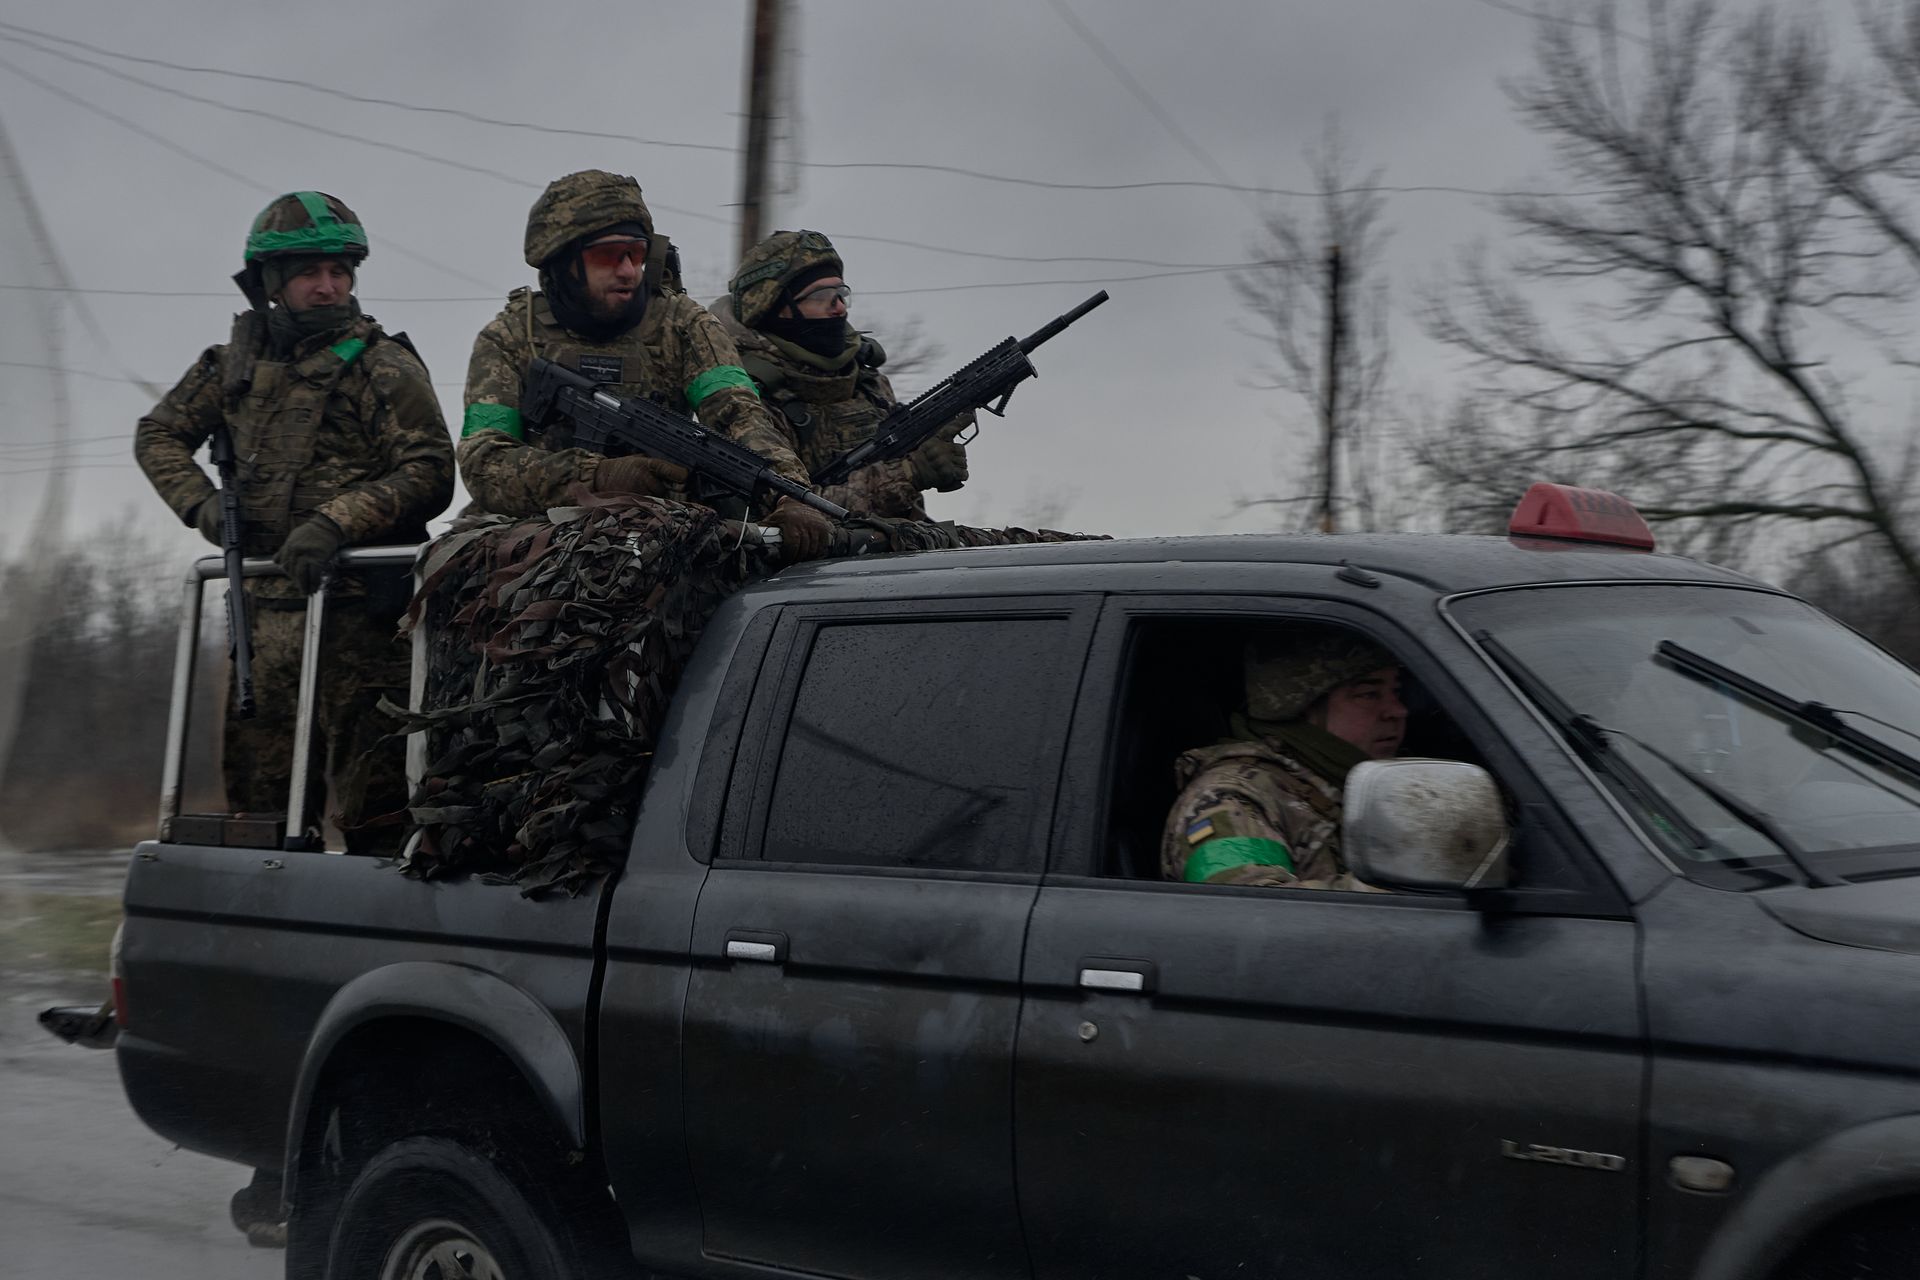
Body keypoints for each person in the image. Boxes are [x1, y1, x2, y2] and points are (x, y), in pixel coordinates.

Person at [134, 191, 454, 855]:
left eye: (339, 272)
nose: (328, 286)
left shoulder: (382, 365)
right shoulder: (232, 367)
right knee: (259, 811)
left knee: (379, 806)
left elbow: (429, 472)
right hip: (267, 621)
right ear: (274, 283)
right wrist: (201, 507)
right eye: (311, 273)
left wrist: (337, 522)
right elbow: (159, 433)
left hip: (364, 618)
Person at [460, 170, 830, 556]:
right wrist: (594, 476)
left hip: (655, 534)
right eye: (607, 255)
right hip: (532, 537)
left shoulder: (686, 324)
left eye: (635, 254)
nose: (626, 271)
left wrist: (790, 495)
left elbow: (740, 414)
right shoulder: (510, 336)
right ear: (563, 259)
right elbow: (484, 460)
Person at [717, 229, 969, 519]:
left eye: (841, 293)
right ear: (774, 308)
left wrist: (933, 458)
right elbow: (790, 510)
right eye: (821, 296)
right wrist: (910, 473)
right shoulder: (745, 395)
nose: (838, 307)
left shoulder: (867, 382)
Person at [1162, 629, 1407, 889]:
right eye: (1369, 694)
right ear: (1302, 707)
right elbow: (1247, 913)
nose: (1398, 710)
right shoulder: (1228, 799)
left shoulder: (1345, 783)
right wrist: (1404, 888)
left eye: (1396, 692)